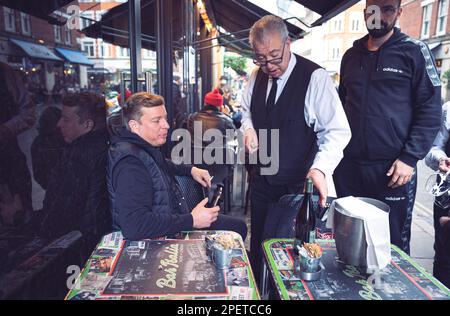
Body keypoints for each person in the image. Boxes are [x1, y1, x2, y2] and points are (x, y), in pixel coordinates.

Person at [241, 15, 351, 284]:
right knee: (258, 249)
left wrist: (320, 168)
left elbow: (337, 130)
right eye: (260, 58)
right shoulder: (256, 76)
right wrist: (248, 129)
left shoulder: (315, 78)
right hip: (262, 181)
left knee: (285, 257)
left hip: (295, 188)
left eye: (275, 57)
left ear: (288, 43)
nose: (269, 65)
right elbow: (245, 112)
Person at [334, 0, 442, 254]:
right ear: (365, 12)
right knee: (349, 243)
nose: (379, 16)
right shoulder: (351, 56)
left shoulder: (415, 52)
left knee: (390, 248)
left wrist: (408, 158)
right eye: (373, 9)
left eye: (387, 9)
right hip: (348, 168)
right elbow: (340, 107)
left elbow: (430, 110)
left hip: (392, 171)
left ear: (399, 12)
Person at [107, 92, 247, 241]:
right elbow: (134, 226)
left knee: (238, 227)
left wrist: (191, 170)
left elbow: (161, 163)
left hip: (174, 218)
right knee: (238, 229)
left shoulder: (141, 148)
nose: (166, 125)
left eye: (165, 118)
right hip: (163, 235)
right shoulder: (130, 165)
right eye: (156, 121)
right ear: (134, 125)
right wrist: (192, 220)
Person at [38, 92, 111, 258]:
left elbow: (60, 215)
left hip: (81, 247)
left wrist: (22, 219)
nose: (59, 124)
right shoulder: (106, 144)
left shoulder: (80, 155)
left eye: (66, 119)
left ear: (87, 125)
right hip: (98, 240)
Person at [0, 62, 35, 227]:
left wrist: (6, 129)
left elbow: (28, 112)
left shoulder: (5, 72)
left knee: (18, 221)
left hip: (8, 163)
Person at [424, 101, 450, 288]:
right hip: (447, 196)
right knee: (444, 257)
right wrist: (441, 159)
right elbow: (432, 149)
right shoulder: (448, 110)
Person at [31, 106, 66, 190]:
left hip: (52, 190)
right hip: (71, 189)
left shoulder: (38, 142)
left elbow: (38, 173)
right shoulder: (66, 138)